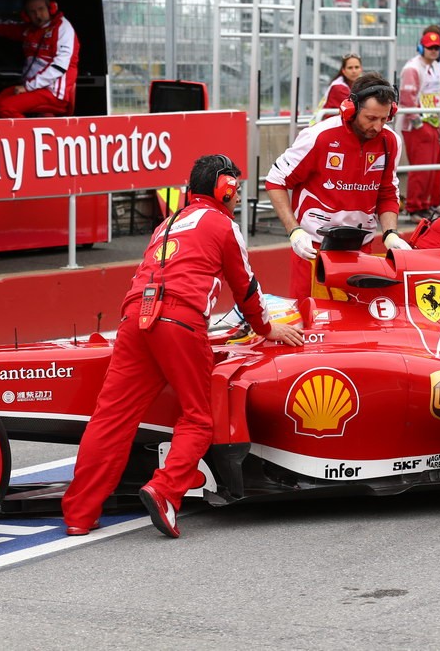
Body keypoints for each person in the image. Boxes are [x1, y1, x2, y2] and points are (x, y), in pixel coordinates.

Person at [61, 155, 304, 539]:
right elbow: (246, 287)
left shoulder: (166, 223)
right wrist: (267, 328)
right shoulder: (224, 225)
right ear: (225, 189)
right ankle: (166, 490)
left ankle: (78, 513)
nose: (237, 197)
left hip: (134, 319)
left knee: (110, 419)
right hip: (180, 322)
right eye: (236, 189)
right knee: (199, 417)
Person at [264, 74, 406, 301]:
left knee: (356, 320)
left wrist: (390, 234)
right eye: (371, 118)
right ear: (351, 108)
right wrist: (294, 231)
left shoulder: (391, 141)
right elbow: (275, 180)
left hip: (362, 248)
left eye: (384, 119)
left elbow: (387, 191)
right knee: (310, 322)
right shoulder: (318, 137)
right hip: (313, 248)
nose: (378, 127)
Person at [397, 29, 440, 217]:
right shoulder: (412, 68)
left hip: (434, 123)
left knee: (430, 169)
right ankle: (414, 207)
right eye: (430, 48)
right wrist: (419, 123)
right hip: (418, 126)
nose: (434, 51)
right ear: (421, 47)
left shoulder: (435, 66)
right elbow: (407, 98)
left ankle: (423, 204)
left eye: (436, 48)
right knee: (420, 169)